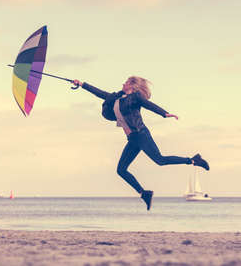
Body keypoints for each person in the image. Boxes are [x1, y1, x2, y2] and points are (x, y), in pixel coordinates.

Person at [72, 76, 209, 210]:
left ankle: (193, 160)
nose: (123, 84)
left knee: (160, 160)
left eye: (125, 82)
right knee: (121, 170)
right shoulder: (117, 98)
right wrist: (82, 84)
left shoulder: (135, 97)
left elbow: (149, 105)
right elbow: (100, 93)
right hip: (132, 139)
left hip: (141, 134)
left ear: (132, 86)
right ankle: (144, 193)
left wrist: (164, 113)